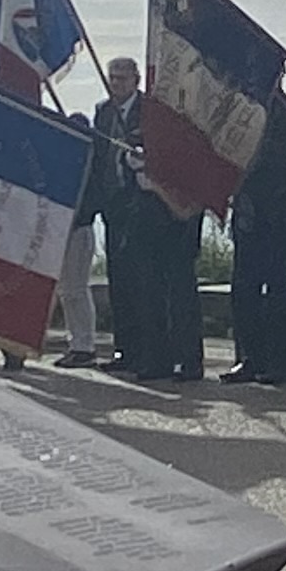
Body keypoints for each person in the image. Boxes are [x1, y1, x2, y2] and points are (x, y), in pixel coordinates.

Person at [89, 59, 174, 378]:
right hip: (113, 205)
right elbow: (98, 156)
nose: (116, 84)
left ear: (136, 80)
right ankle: (125, 349)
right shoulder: (103, 111)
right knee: (119, 281)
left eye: (122, 79)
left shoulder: (148, 112)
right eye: (112, 79)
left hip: (143, 206)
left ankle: (150, 354)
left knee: (144, 282)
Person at [223, 89, 286, 385]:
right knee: (244, 289)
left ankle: (280, 363)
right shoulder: (243, 110)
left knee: (278, 289)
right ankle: (250, 357)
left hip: (281, 216)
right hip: (250, 215)